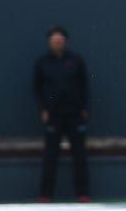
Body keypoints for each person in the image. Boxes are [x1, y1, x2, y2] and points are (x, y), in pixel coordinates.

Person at [34, 26, 90, 203]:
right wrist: (43, 108)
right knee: (50, 156)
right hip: (53, 115)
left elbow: (85, 85)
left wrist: (84, 107)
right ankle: (45, 194)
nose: (57, 44)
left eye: (60, 41)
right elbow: (36, 88)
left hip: (74, 115)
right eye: (53, 41)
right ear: (50, 42)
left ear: (65, 42)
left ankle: (82, 193)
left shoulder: (76, 61)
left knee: (79, 156)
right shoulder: (42, 62)